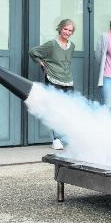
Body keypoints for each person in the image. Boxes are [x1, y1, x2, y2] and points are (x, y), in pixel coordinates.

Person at [29, 18, 76, 150]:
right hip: (53, 80)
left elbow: (66, 62)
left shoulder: (72, 46)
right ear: (60, 29)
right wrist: (42, 63)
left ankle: (67, 138)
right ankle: (55, 139)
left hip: (68, 80)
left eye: (70, 30)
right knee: (54, 109)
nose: (67, 32)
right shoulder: (52, 44)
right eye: (65, 29)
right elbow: (33, 52)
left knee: (69, 110)